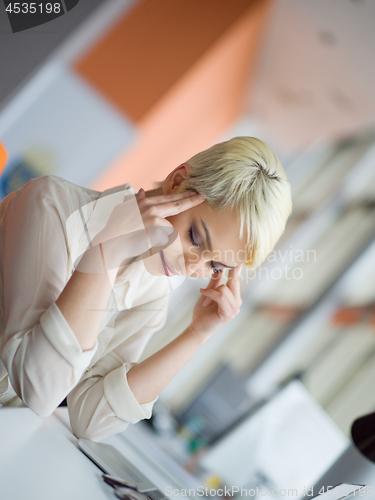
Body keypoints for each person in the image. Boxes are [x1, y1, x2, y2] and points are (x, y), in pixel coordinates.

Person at [0, 136, 292, 441]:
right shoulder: (51, 205)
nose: (191, 268)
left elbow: (92, 419)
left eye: (215, 266)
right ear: (177, 181)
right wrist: (106, 253)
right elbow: (39, 390)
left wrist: (196, 335)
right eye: (195, 237)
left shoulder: (152, 292)